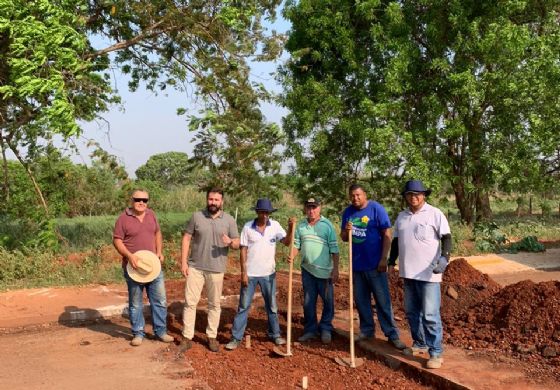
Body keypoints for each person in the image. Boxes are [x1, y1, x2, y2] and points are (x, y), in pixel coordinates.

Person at [388, 180, 452, 369]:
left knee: (431, 315)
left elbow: (446, 238)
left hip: (429, 274)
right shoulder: (402, 217)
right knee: (412, 312)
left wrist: (444, 259)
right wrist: (391, 262)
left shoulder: (435, 214)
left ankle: (436, 353)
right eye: (410, 194)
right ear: (406, 197)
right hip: (408, 273)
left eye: (417, 194)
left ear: (424, 195)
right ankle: (419, 344)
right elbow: (395, 243)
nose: (414, 197)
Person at [340, 184, 406, 350]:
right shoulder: (348, 212)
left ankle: (392, 334)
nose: (355, 198)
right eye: (352, 196)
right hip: (357, 266)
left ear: (364, 195)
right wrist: (346, 231)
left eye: (358, 195)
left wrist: (384, 259)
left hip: (375, 265)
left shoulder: (376, 209)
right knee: (361, 301)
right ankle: (367, 331)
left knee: (383, 302)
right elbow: (344, 238)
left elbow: (387, 235)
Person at [225, 198, 295, 350]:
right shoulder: (248, 227)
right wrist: (243, 272)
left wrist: (290, 228)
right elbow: (243, 250)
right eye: (262, 212)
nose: (264, 215)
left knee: (272, 306)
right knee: (243, 306)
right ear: (257, 212)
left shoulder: (275, 226)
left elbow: (287, 242)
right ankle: (236, 338)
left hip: (268, 274)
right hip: (250, 274)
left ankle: (275, 334)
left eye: (267, 212)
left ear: (269, 213)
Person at [179, 187, 240, 353]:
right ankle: (187, 337)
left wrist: (230, 242)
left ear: (222, 202)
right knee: (190, 303)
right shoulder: (197, 217)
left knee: (214, 304)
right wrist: (184, 263)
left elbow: (237, 243)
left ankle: (211, 337)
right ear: (207, 200)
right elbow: (186, 238)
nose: (213, 202)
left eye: (216, 200)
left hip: (217, 269)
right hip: (195, 267)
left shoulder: (228, 220)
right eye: (211, 199)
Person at [113, 189, 174, 346]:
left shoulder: (151, 215)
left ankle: (160, 331)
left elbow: (157, 233)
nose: (141, 202)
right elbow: (117, 241)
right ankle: (138, 333)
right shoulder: (123, 219)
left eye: (145, 200)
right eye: (138, 199)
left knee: (159, 300)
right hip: (134, 268)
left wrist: (159, 252)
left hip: (153, 267)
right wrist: (129, 255)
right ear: (131, 200)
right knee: (135, 303)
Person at [292, 197, 339, 344]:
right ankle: (311, 330)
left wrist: (336, 269)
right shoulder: (301, 226)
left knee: (328, 301)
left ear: (320, 208)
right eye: (309, 207)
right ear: (305, 209)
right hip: (307, 270)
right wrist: (291, 256)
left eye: (314, 207)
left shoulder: (327, 226)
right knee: (308, 301)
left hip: (325, 272)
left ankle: (325, 328)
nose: (311, 210)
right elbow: (296, 245)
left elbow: (335, 249)